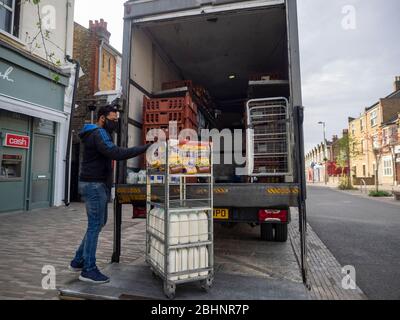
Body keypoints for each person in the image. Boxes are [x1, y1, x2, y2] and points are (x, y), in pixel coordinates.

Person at [69, 105, 151, 284]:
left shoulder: (97, 133)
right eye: (113, 119)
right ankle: (88, 269)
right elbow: (114, 153)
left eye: (116, 119)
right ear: (102, 118)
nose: (115, 123)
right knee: (95, 225)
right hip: (94, 185)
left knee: (98, 223)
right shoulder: (98, 133)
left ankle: (79, 260)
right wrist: (143, 148)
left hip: (94, 184)